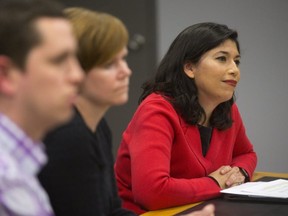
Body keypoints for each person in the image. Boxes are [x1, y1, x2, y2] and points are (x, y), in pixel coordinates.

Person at [114, 22, 258, 214]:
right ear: (190, 68)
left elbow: (246, 154)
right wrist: (216, 182)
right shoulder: (157, 110)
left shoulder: (227, 109)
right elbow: (152, 192)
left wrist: (239, 172)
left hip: (199, 208)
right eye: (222, 59)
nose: (235, 70)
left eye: (236, 61)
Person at [0, 0, 83, 215]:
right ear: (6, 74)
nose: (77, 75)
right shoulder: (6, 181)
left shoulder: (22, 167)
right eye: (59, 60)